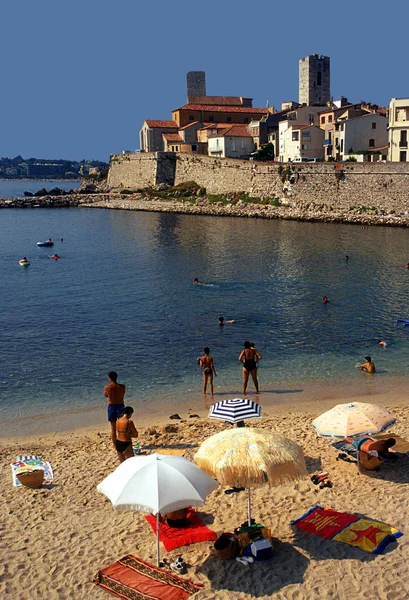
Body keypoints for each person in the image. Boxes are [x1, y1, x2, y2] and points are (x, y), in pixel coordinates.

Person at [104, 371, 126, 447]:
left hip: (112, 406)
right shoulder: (122, 386)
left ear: (110, 378)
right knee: (122, 426)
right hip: (121, 406)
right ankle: (123, 441)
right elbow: (123, 394)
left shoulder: (107, 387)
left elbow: (106, 395)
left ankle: (115, 445)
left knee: (113, 428)